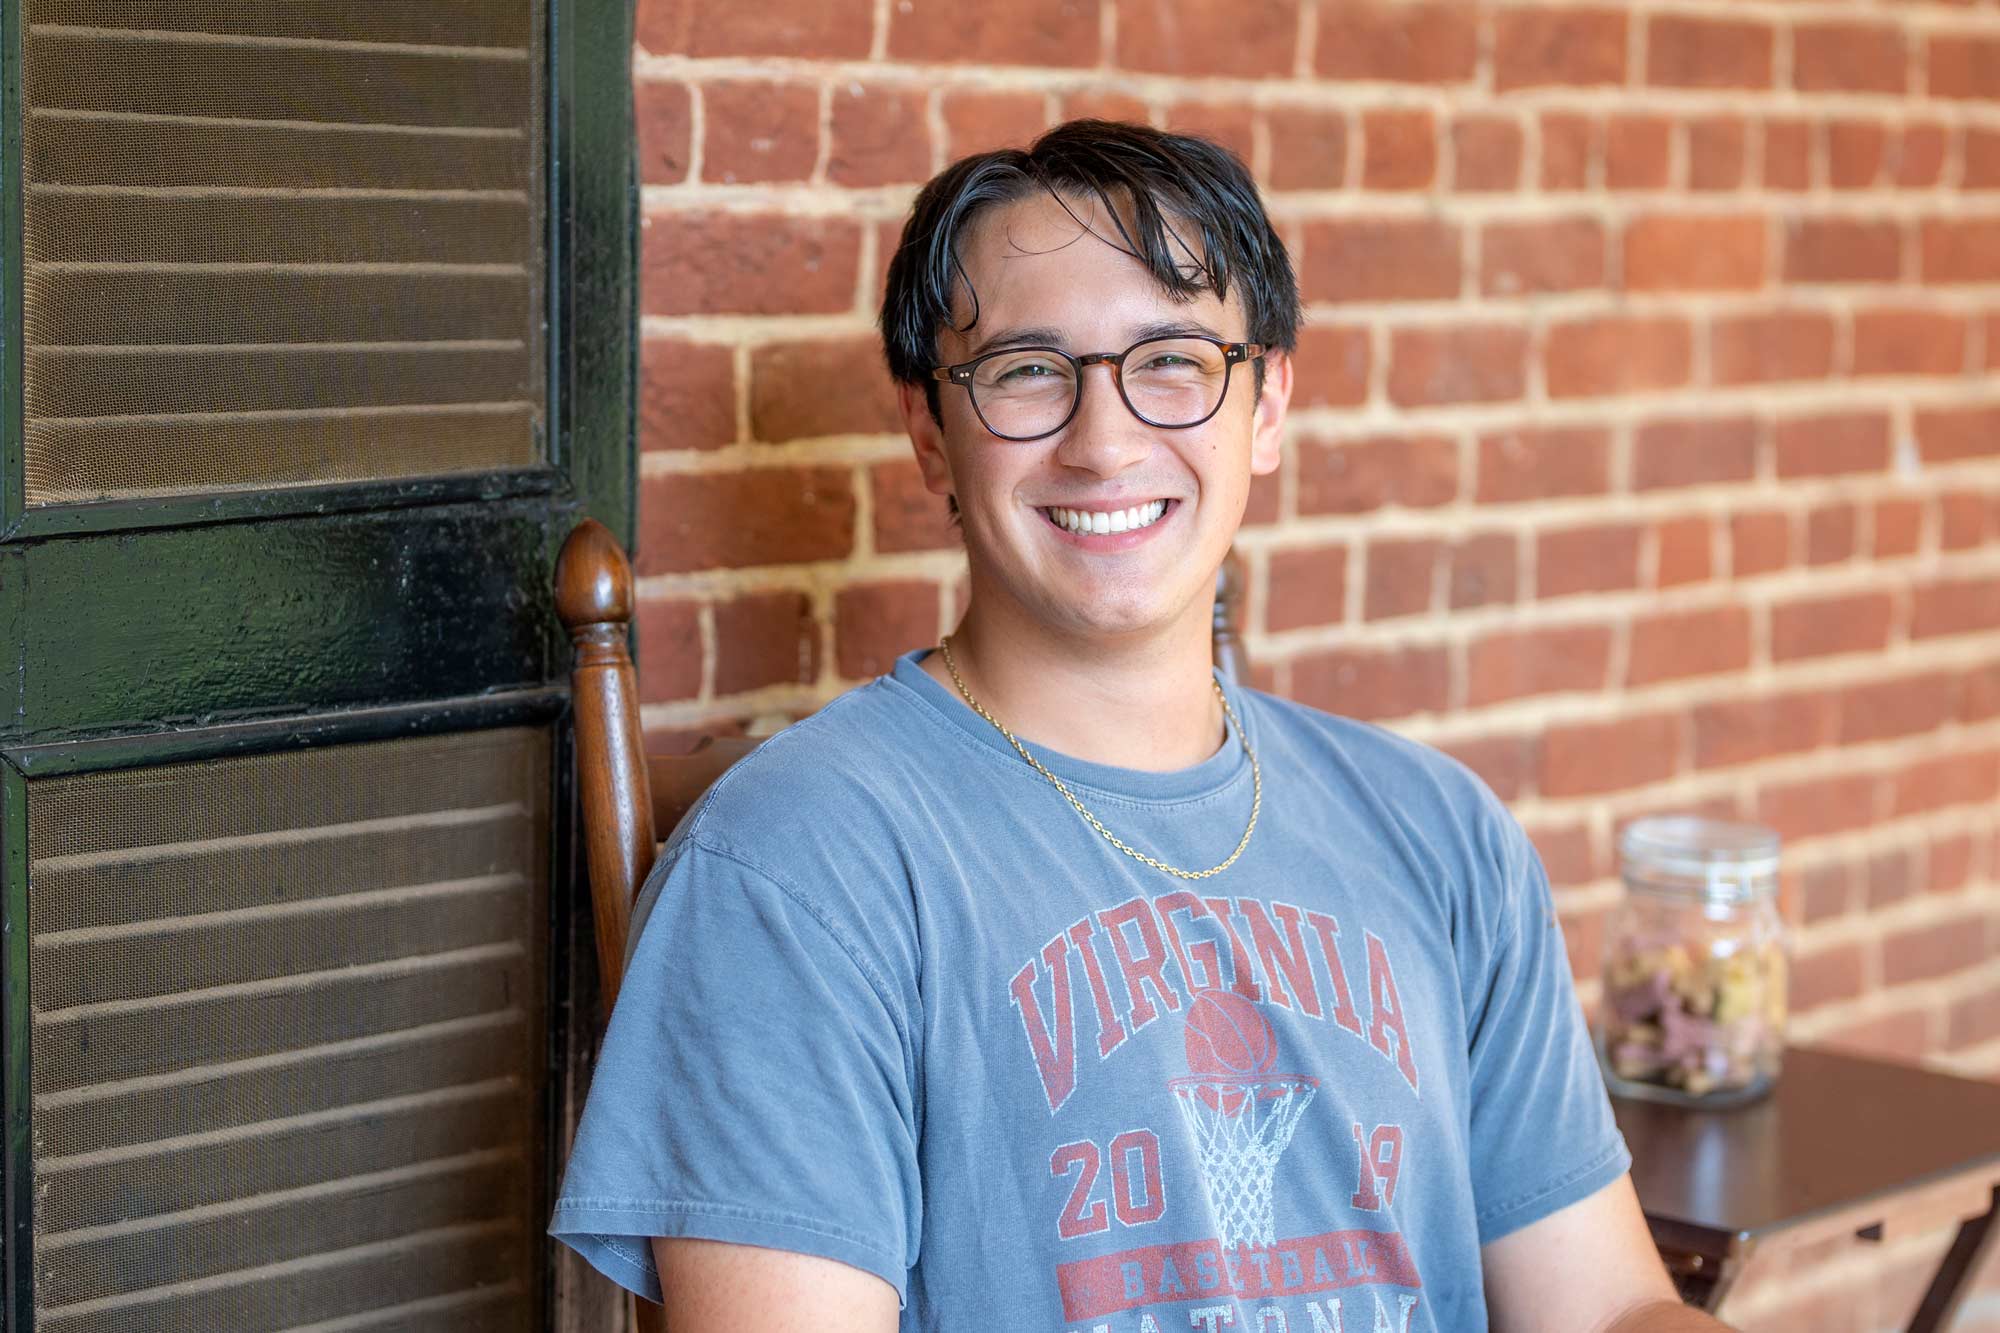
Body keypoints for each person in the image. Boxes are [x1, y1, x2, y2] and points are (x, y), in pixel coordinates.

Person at [552, 120, 1731, 1332]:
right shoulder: (798, 866)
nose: (1103, 442)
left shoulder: (1440, 833)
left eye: (1171, 360)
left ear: (1265, 404)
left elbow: (1602, 1308)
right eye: (1024, 370)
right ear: (927, 434)